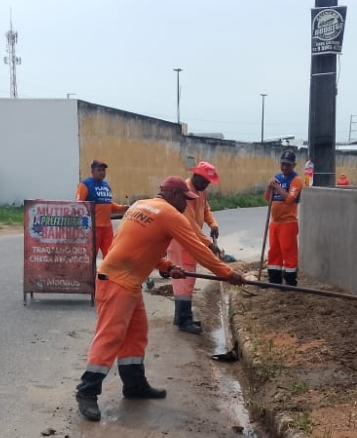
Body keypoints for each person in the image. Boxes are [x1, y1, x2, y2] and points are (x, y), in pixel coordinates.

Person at [75, 176, 245, 422]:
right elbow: (199, 249)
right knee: (110, 337)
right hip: (117, 283)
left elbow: (135, 245)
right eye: (185, 199)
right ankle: (87, 391)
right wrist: (228, 274)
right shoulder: (170, 214)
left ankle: (134, 385)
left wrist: (166, 265)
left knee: (136, 335)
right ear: (174, 195)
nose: (186, 204)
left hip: (125, 280)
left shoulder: (140, 205)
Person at [168, 161, 221, 334]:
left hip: (191, 242)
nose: (205, 185)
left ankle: (181, 317)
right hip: (181, 243)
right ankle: (184, 320)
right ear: (196, 176)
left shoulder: (200, 190)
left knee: (187, 281)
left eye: (208, 183)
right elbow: (190, 225)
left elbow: (206, 209)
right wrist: (209, 244)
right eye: (204, 181)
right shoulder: (185, 192)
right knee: (184, 282)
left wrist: (213, 224)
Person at [264, 149, 304, 286]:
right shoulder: (277, 178)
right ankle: (274, 280)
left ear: (294, 165)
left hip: (288, 223)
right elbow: (267, 197)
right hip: (275, 223)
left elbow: (289, 199)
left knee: (288, 251)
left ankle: (290, 282)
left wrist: (277, 187)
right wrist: (269, 186)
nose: (285, 167)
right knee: (274, 251)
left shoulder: (296, 180)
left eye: (288, 165)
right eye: (283, 164)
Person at [76, 159, 129, 259]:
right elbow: (78, 205)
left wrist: (121, 208)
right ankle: (91, 270)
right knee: (91, 255)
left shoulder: (106, 185)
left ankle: (107, 270)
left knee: (110, 255)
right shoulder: (85, 185)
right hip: (93, 227)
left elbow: (108, 203)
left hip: (107, 228)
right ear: (92, 171)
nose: (102, 172)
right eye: (99, 170)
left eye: (103, 170)